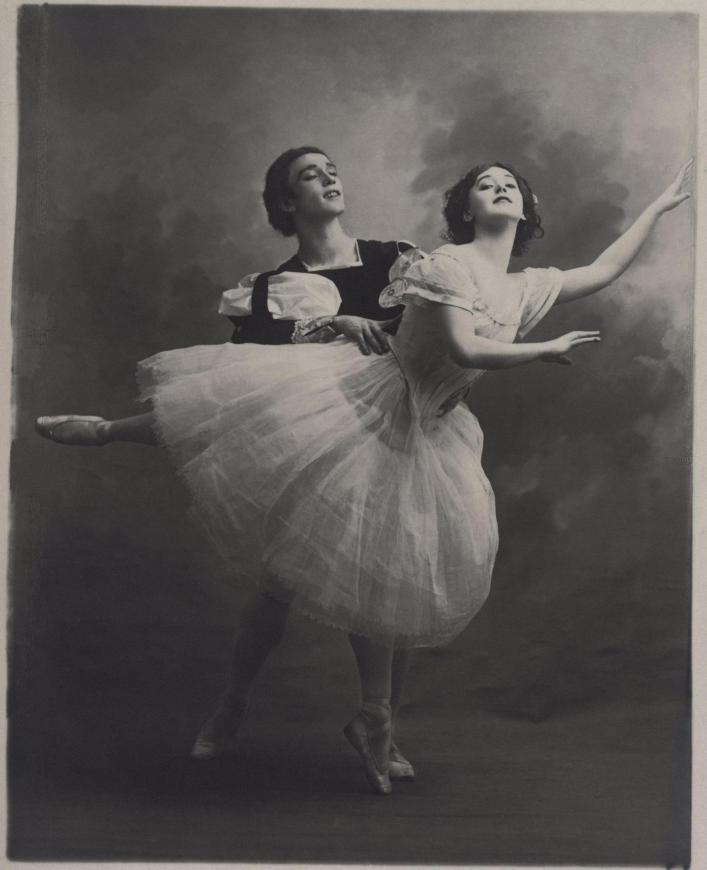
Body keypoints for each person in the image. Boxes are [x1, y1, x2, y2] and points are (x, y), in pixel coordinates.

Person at [36, 156, 692, 795]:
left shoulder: (484, 276)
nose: (498, 188)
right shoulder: (436, 263)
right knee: (240, 445)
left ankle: (378, 721)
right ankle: (108, 436)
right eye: (485, 183)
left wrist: (658, 208)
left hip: (425, 425)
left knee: (389, 574)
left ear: (524, 209)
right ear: (465, 207)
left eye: (509, 185)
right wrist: (534, 347)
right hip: (360, 404)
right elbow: (442, 348)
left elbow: (599, 269)